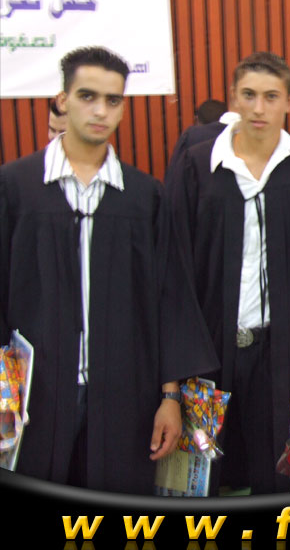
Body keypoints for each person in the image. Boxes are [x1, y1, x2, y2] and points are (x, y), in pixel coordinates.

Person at [0, 46, 219, 493]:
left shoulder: (144, 196)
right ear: (62, 100)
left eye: (113, 100)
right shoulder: (16, 187)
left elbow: (168, 300)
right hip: (34, 398)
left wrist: (170, 397)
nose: (100, 110)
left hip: (125, 398)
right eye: (87, 96)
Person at [166, 52, 290, 494]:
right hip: (207, 354)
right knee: (199, 478)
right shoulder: (196, 166)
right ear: (234, 97)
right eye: (249, 95)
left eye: (271, 96)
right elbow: (174, 274)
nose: (259, 108)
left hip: (279, 353)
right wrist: (173, 384)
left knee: (279, 475)